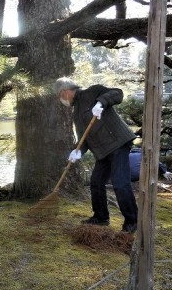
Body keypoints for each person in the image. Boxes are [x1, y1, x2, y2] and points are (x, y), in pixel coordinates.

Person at [54, 77, 138, 233]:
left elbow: (118, 94)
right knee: (96, 183)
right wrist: (77, 151)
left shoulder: (93, 91)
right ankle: (101, 217)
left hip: (118, 143)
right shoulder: (76, 112)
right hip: (103, 151)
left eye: (59, 96)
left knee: (120, 183)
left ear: (65, 92)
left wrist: (101, 102)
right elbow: (84, 138)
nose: (61, 100)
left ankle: (132, 221)